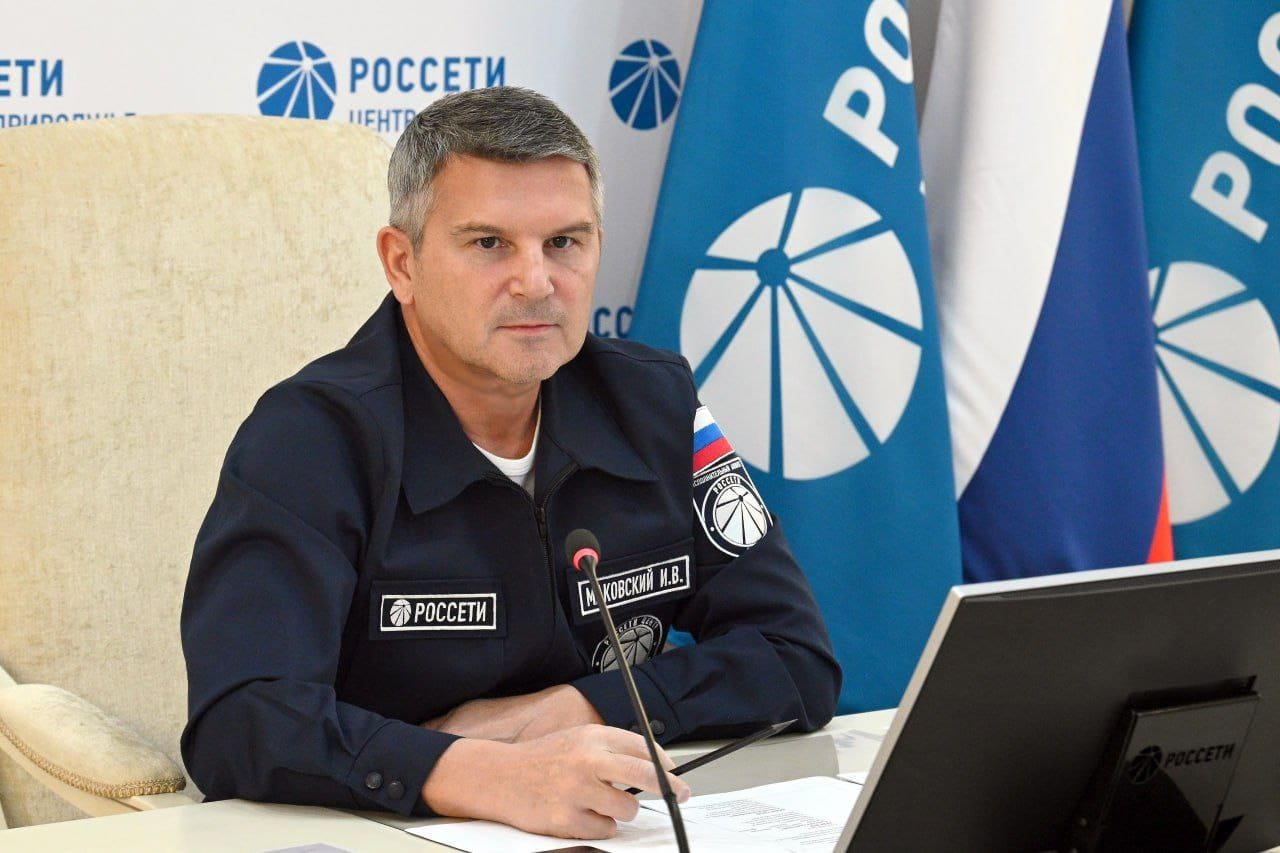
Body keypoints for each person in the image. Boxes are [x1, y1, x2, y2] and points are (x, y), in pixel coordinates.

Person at [180, 86, 840, 840]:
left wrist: (579, 708)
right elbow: (240, 718)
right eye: (489, 243)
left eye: (564, 242)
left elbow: (795, 656)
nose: (536, 282)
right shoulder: (309, 438)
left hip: (608, 825)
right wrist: (477, 772)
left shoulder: (654, 403)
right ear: (402, 263)